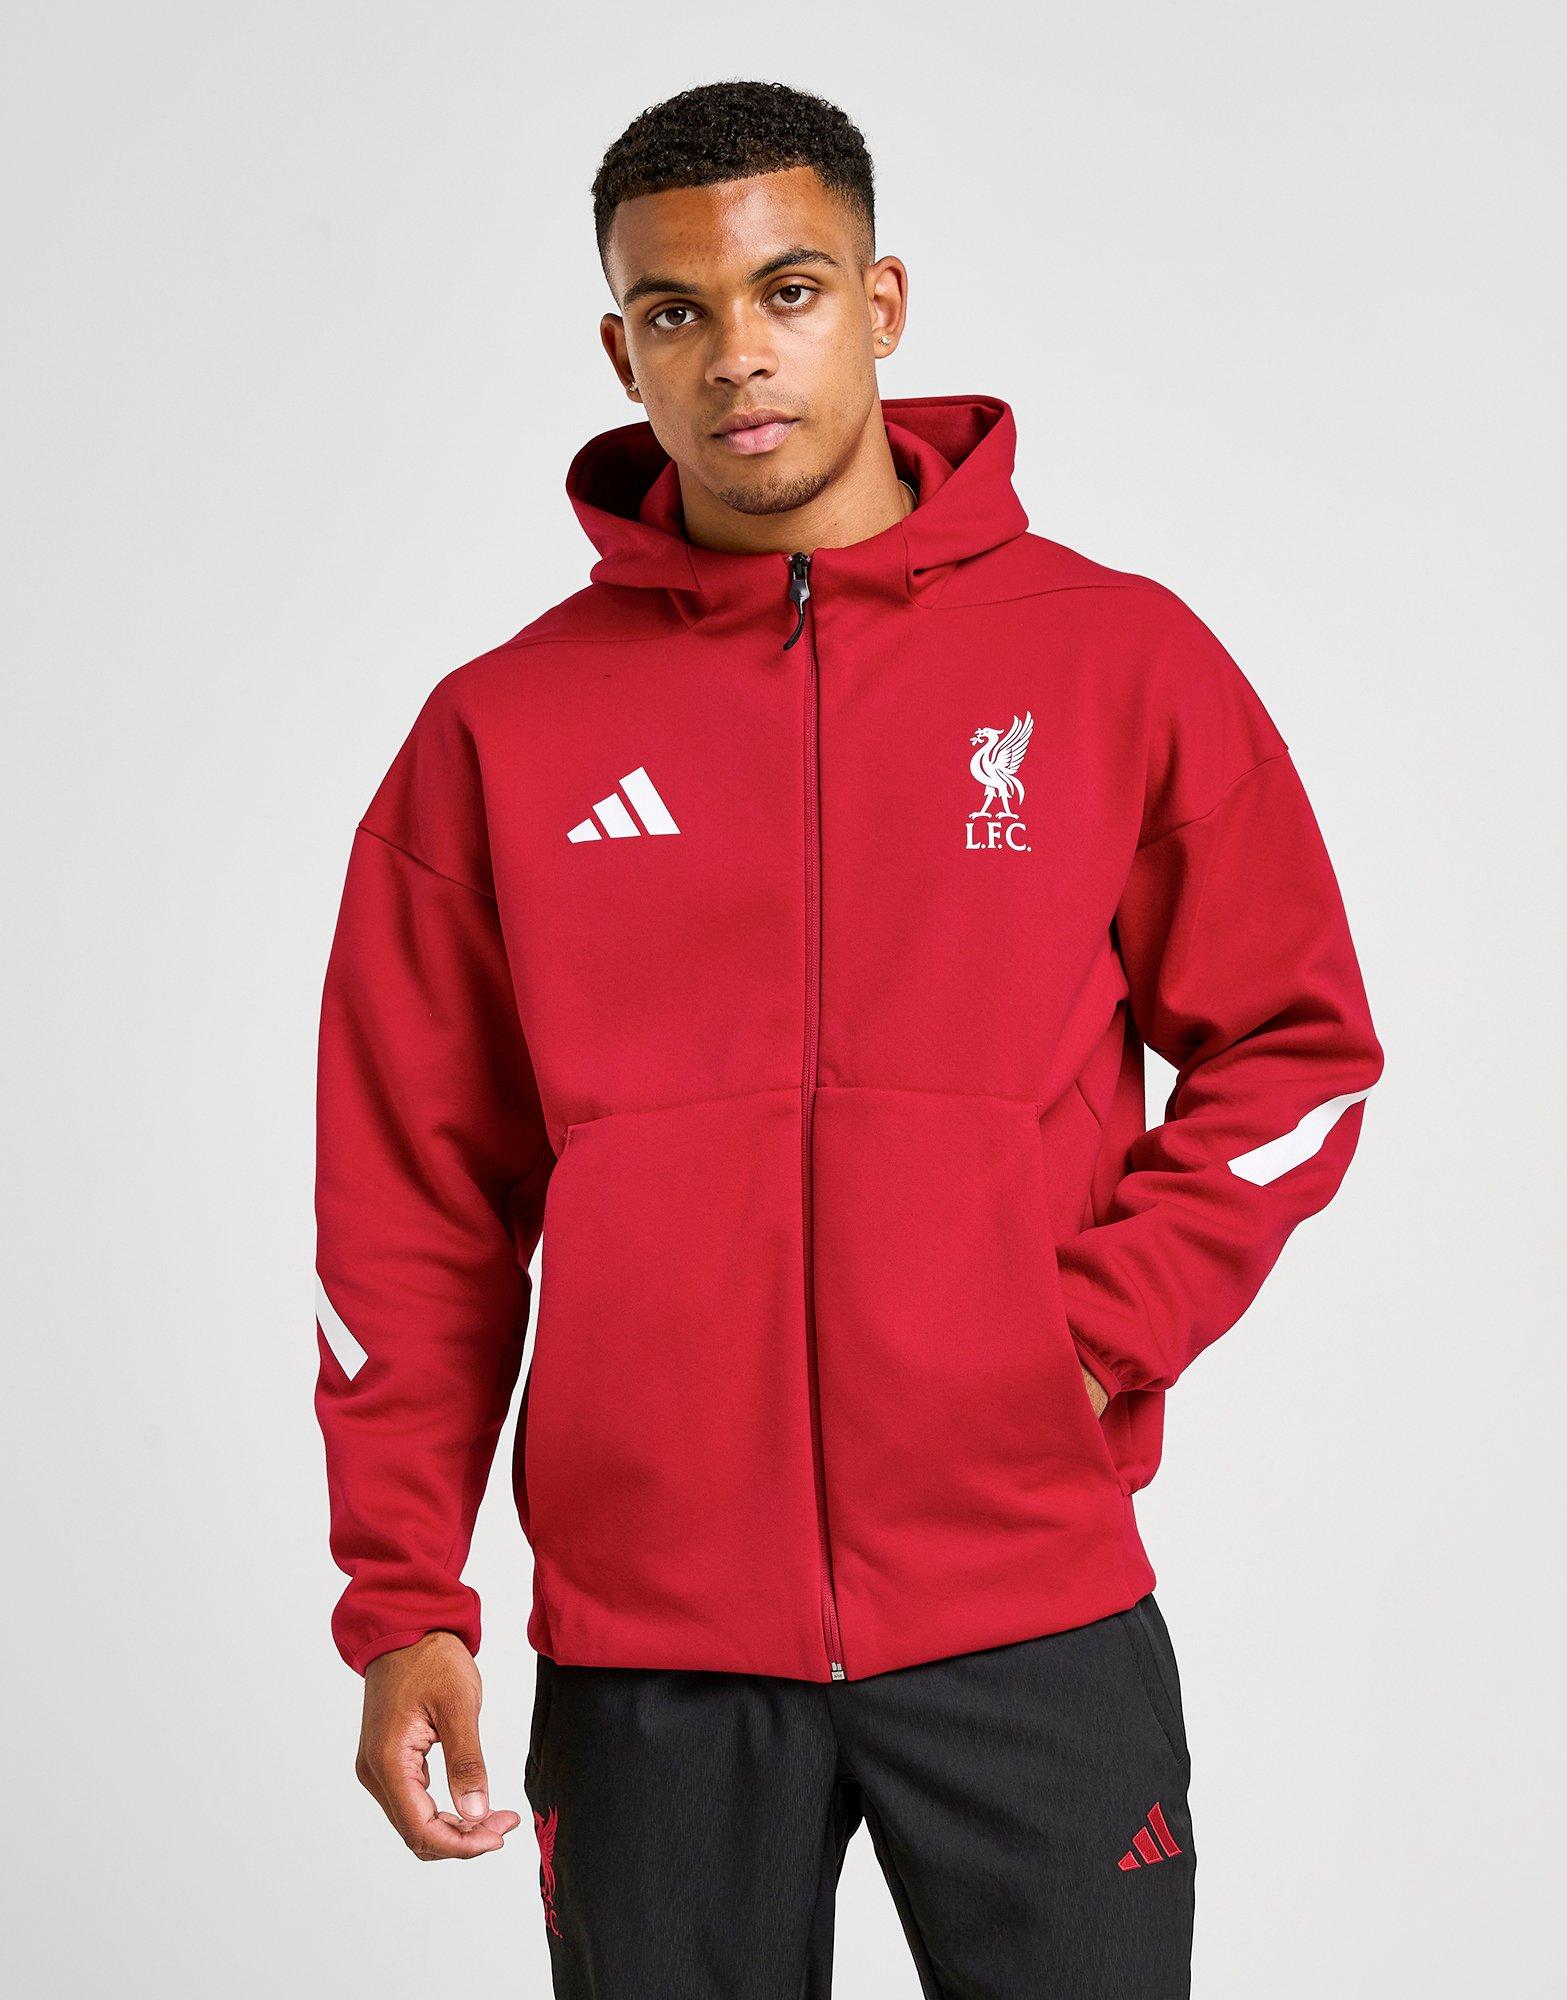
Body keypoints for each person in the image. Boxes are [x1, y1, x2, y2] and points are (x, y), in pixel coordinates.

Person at [313, 77, 1383, 1998]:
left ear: (882, 304)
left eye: (787, 291)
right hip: (650, 1651)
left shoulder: (1113, 659)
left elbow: (1295, 1051)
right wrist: (407, 1594)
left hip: (1027, 1603)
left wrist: (1085, 1332)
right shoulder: (501, 732)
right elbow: (411, 1201)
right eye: (676, 310)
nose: (737, 354)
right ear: (623, 350)